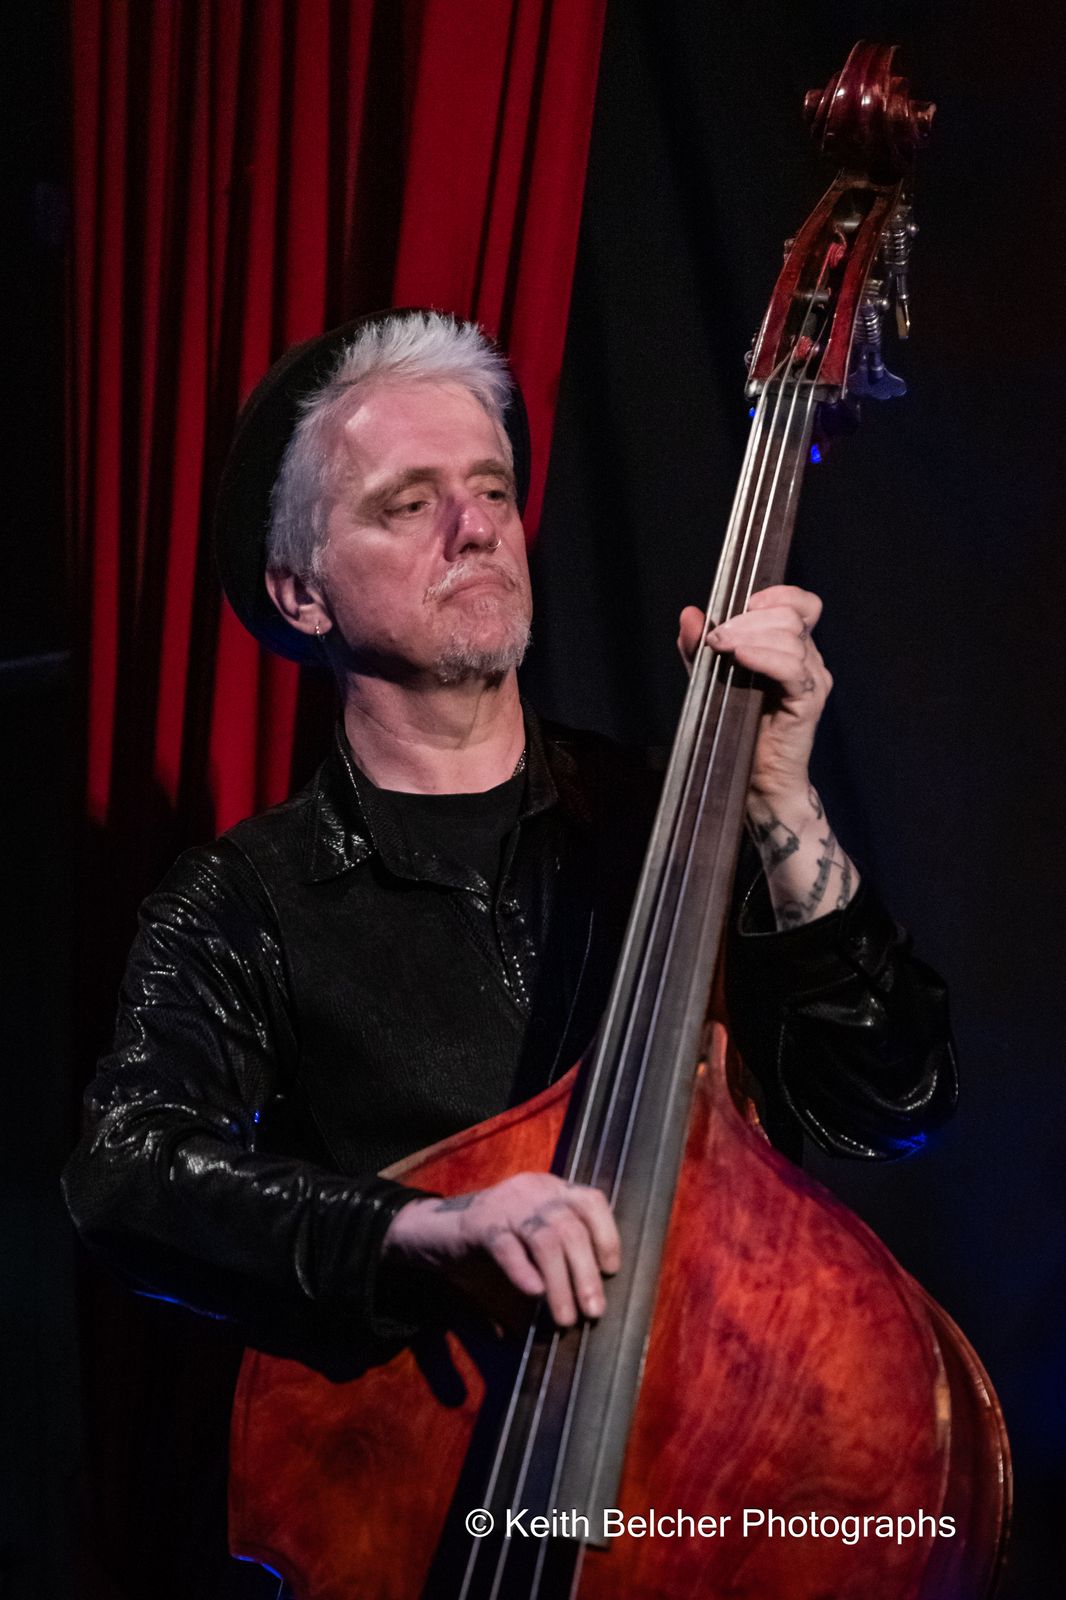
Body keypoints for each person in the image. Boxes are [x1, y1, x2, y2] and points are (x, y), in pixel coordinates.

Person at [62, 309, 956, 1581]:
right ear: (300, 590)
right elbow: (126, 1175)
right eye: (407, 502)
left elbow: (895, 1102)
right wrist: (426, 1233)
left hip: (715, 1487)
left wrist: (779, 807)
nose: (475, 525)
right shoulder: (241, 901)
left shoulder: (679, 822)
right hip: (430, 1508)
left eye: (489, 489)